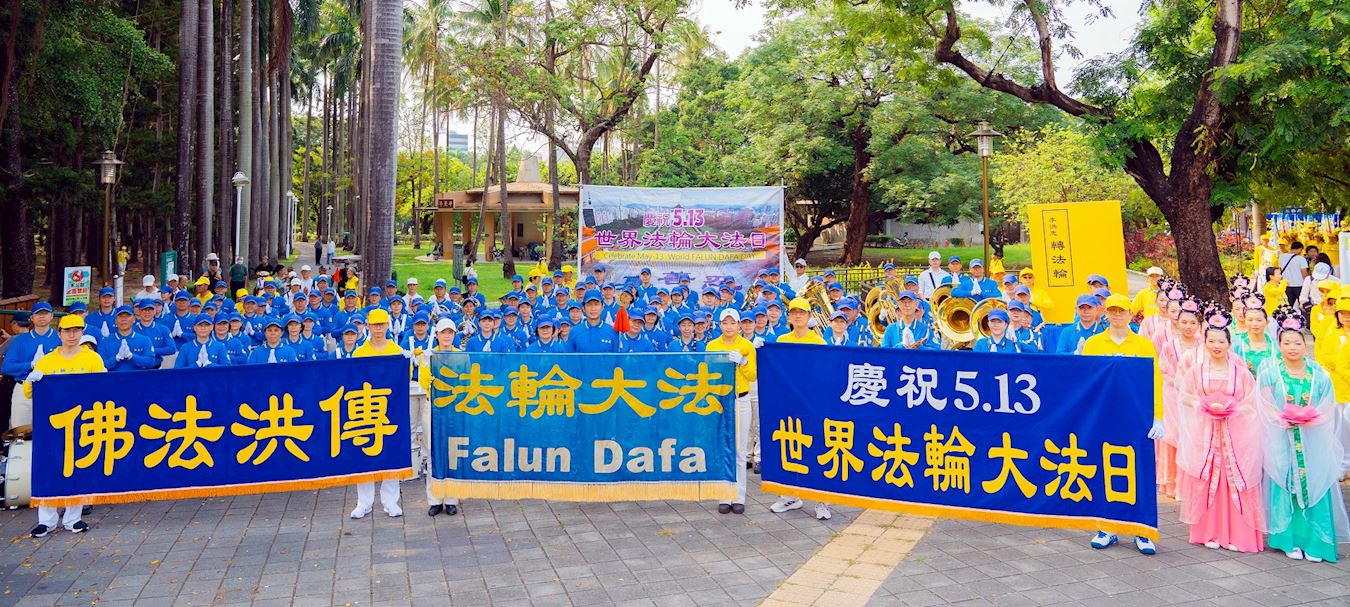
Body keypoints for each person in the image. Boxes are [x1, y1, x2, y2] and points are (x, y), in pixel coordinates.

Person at [1257, 309, 1349, 562]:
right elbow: (1264, 404)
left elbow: (1328, 406)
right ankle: (1288, 539)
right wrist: (1281, 419)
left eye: (1297, 342)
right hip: (1283, 440)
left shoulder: (1319, 375)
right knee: (1285, 486)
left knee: (1314, 485)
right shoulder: (1270, 373)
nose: (1292, 348)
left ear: (1305, 344)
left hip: (1311, 440)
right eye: (1286, 343)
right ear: (1279, 344)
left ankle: (1315, 542)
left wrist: (1312, 420)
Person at [1176, 308, 1265, 552]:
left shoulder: (1241, 372)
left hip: (1234, 436)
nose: (1216, 345)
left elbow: (1251, 401)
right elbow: (1185, 396)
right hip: (1207, 435)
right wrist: (1203, 406)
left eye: (1221, 341)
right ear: (1204, 343)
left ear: (1229, 343)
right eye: (1211, 341)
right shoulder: (1196, 371)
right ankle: (1209, 532)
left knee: (1235, 481)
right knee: (1208, 480)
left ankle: (1238, 534)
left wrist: (1232, 409)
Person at [1081, 294, 1164, 555]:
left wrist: (1158, 416)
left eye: (1122, 311)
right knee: (1104, 470)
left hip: (1136, 418)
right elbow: (1084, 382)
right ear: (1105, 314)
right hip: (1104, 417)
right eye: (1112, 311)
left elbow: (1155, 382)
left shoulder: (1143, 345)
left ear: (1131, 315)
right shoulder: (1094, 344)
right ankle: (1107, 527)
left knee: (1139, 471)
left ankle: (1143, 530)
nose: (1117, 316)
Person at [24, 314, 105, 537]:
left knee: (77, 467)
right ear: (59, 333)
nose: (72, 335)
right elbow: (29, 392)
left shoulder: (92, 359)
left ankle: (73, 519)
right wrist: (33, 379)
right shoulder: (47, 361)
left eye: (77, 331)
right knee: (50, 467)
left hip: (83, 421)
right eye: (67, 331)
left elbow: (102, 389)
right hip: (53, 423)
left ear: (82, 333)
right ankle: (46, 521)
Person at [769, 298, 834, 520]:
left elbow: (825, 375)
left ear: (809, 316)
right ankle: (789, 496)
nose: (798, 316)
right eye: (794, 312)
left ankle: (822, 500)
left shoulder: (819, 342)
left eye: (802, 313)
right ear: (789, 316)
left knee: (816, 449)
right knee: (789, 447)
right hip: (788, 404)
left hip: (812, 404)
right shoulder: (781, 340)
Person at [350, 308, 406, 519]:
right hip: (364, 409)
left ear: (387, 325)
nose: (379, 328)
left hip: (389, 410)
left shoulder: (396, 351)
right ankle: (364, 502)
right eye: (375, 325)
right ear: (368, 326)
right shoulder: (359, 352)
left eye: (382, 324)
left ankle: (390, 501)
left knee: (390, 455)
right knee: (364, 454)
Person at [704, 309, 755, 515]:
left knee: (740, 451)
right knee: (723, 448)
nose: (729, 326)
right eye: (725, 323)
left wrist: (742, 363)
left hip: (741, 399)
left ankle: (739, 496)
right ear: (719, 324)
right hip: (720, 400)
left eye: (732, 323)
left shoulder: (746, 346)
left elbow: (753, 375)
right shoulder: (712, 345)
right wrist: (721, 362)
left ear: (739, 324)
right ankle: (724, 495)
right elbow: (708, 372)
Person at [1157, 297, 1204, 499]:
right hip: (1173, 395)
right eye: (1184, 321)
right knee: (1175, 435)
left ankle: (1196, 481)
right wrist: (1180, 383)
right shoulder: (1169, 346)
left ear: (1199, 325)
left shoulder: (1205, 344)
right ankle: (1175, 484)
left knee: (1196, 436)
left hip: (1197, 397)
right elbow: (1163, 371)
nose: (1188, 326)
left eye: (1193, 322)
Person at [422, 318, 461, 516]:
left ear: (454, 335)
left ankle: (452, 498)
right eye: (443, 332)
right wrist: (426, 366)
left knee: (453, 453)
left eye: (450, 332)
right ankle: (435, 499)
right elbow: (423, 383)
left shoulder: (462, 356)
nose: (446, 336)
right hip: (434, 408)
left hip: (455, 408)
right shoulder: (429, 355)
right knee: (433, 453)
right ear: (437, 334)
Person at [2, 302, 59, 428]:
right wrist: (31, 365)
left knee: (50, 429)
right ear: (32, 318)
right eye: (38, 314)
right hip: (24, 387)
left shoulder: (59, 338)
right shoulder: (20, 340)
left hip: (51, 388)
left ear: (51, 316)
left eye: (45, 313)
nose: (42, 316)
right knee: (21, 430)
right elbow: (6, 367)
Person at [1278, 241, 1309, 306]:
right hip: (1299, 285)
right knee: (1303, 305)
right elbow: (1304, 273)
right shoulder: (1301, 259)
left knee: (1287, 306)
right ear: (1300, 249)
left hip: (1286, 285)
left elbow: (1280, 269)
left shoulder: (1282, 257)